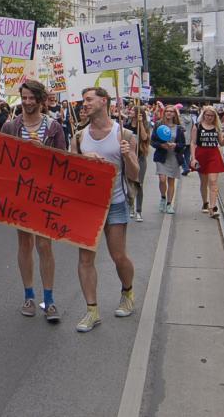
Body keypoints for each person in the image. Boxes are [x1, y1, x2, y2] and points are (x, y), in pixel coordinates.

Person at [0, 80, 66, 322]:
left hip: (44, 194)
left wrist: (43, 150)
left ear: (40, 100)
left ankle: (49, 300)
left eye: (32, 98)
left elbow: (63, 162)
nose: (28, 102)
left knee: (44, 246)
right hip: (20, 193)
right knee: (24, 244)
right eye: (24, 97)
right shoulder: (11, 126)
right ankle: (29, 296)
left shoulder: (53, 127)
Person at [72, 86, 140, 333]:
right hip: (88, 206)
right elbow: (70, 171)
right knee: (85, 259)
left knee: (118, 256)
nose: (85, 103)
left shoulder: (125, 134)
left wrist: (128, 156)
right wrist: (84, 159)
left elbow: (135, 174)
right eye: (84, 100)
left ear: (104, 101)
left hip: (115, 203)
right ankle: (92, 311)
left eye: (89, 99)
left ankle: (127, 292)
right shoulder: (79, 137)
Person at [190, 106, 224, 217]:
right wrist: (193, 158)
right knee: (204, 181)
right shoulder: (197, 126)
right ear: (203, 115)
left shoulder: (217, 127)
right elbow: (193, 143)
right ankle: (205, 202)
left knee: (213, 181)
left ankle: (213, 207)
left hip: (214, 154)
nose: (209, 117)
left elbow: (220, 142)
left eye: (212, 115)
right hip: (201, 154)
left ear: (215, 116)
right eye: (207, 115)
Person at [152, 106, 187, 214]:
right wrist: (161, 145)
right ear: (164, 113)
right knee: (162, 179)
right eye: (167, 111)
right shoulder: (159, 125)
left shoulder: (179, 128)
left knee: (171, 181)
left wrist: (175, 145)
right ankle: (163, 197)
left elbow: (182, 144)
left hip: (174, 157)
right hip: (161, 156)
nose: (169, 113)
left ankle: (169, 204)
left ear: (174, 114)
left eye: (171, 111)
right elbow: (152, 141)